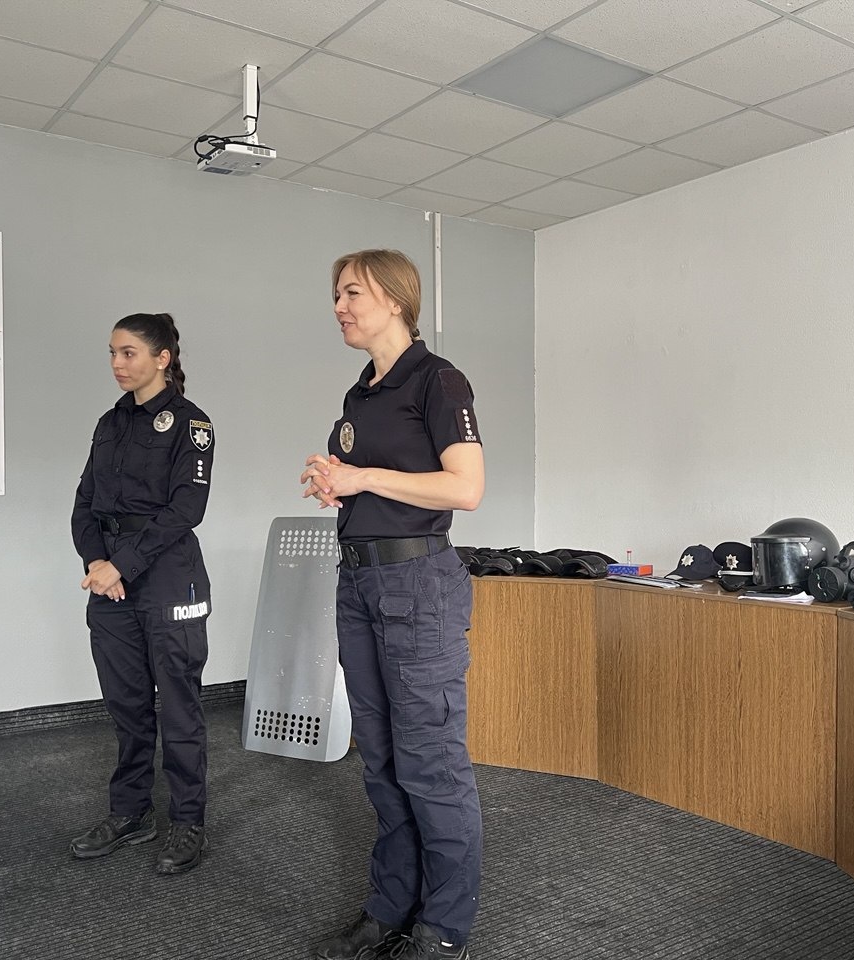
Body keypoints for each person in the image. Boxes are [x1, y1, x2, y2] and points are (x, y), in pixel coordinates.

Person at [300, 250, 485, 960]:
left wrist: (364, 477)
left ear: (396, 299)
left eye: (352, 292)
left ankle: (443, 930)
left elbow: (464, 488)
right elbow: (366, 482)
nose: (339, 307)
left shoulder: (437, 380)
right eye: (337, 294)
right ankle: (390, 908)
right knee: (380, 760)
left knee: (429, 763)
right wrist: (333, 482)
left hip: (418, 586)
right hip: (359, 584)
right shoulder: (361, 395)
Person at [69, 312, 215, 875]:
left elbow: (185, 510)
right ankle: (131, 812)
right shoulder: (109, 424)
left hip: (168, 577)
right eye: (112, 352)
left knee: (178, 706)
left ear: (162, 358)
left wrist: (121, 565)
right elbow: (85, 503)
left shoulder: (191, 424)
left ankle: (188, 820)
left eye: (128, 352)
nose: (116, 363)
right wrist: (97, 563)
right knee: (126, 704)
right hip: (110, 582)